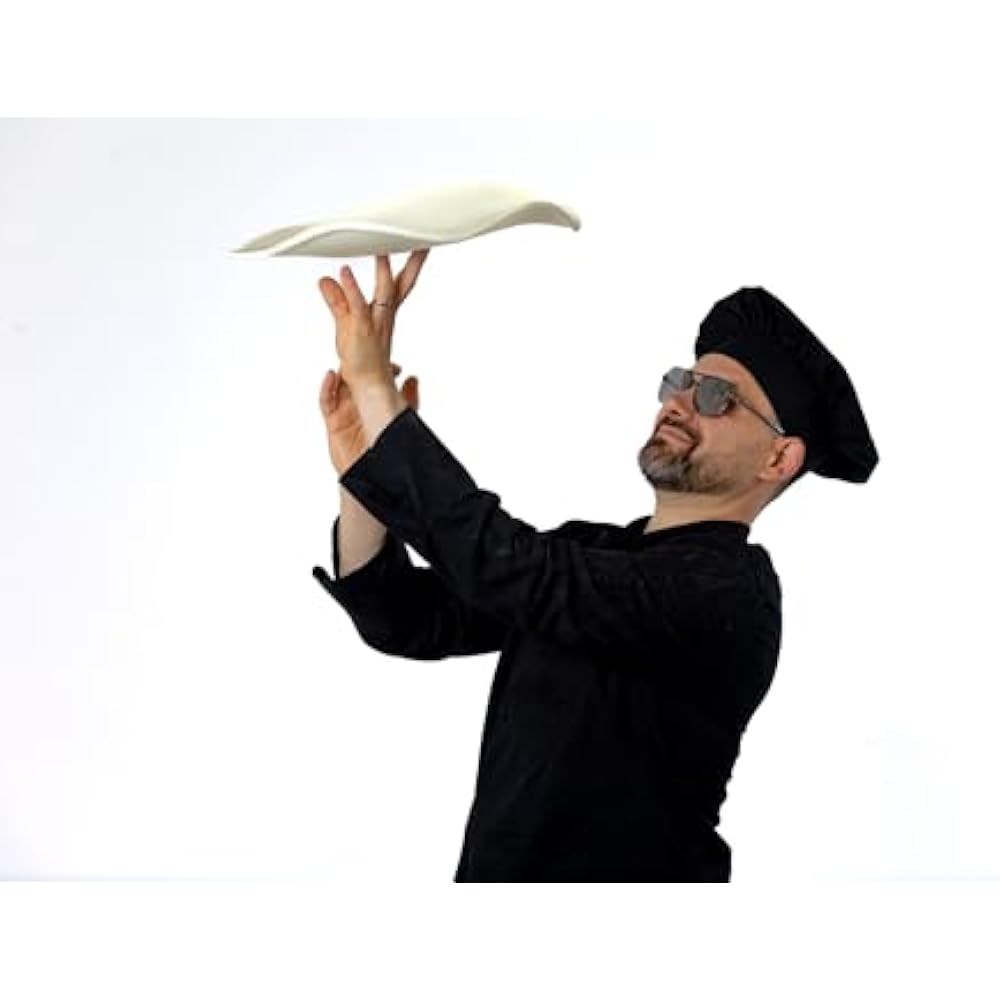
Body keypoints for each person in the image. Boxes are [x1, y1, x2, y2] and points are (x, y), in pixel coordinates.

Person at [311, 251, 878, 881]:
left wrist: (376, 391)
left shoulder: (729, 591)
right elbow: (405, 620)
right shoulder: (595, 550)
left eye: (718, 397)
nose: (681, 402)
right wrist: (361, 468)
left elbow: (506, 566)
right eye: (680, 381)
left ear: (778, 459)